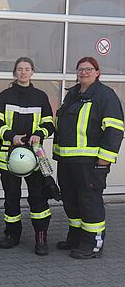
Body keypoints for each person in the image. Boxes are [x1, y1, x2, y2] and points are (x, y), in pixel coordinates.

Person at [53, 56, 123, 259]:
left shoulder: (104, 95)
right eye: (80, 69)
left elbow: (114, 129)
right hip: (67, 160)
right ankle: (75, 237)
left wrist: (105, 160)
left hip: (91, 162)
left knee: (89, 202)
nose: (84, 72)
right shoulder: (73, 94)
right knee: (71, 201)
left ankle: (93, 244)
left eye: (89, 69)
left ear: (97, 72)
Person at [0, 57, 55, 255]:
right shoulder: (4, 95)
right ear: (15, 73)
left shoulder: (41, 96)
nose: (23, 72)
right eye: (20, 69)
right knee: (11, 198)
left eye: (27, 69)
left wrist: (40, 134)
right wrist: (12, 136)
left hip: (35, 157)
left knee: (38, 198)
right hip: (8, 156)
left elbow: (49, 124)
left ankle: (41, 238)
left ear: (32, 72)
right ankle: (12, 235)